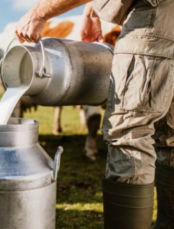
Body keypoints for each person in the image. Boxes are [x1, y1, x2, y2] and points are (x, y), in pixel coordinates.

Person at [15, 0, 174, 229]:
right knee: (170, 136)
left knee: (129, 134)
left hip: (152, 19)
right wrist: (92, 6)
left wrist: (38, 13)